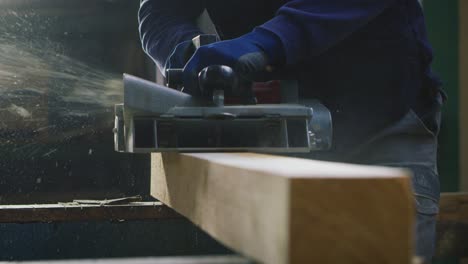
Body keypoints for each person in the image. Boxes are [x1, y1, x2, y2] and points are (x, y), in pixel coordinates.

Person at [138, 0, 445, 260]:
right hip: (269, 141)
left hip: (380, 126)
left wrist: (267, 42)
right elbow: (161, 11)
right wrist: (185, 50)